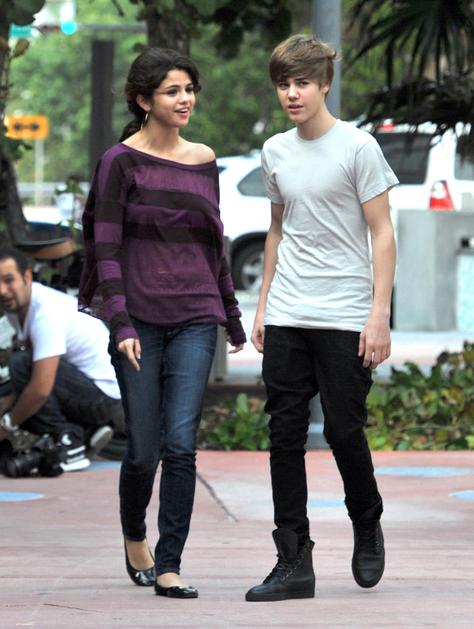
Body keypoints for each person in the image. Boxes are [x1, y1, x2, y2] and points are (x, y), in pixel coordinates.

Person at [78, 47, 246, 599]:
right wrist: (120, 322)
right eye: (173, 91)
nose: (185, 99)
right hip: (140, 321)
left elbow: (213, 243)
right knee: (143, 450)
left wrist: (231, 315)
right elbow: (105, 248)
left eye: (189, 89)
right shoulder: (119, 162)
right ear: (143, 100)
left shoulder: (204, 159)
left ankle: (170, 564)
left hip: (195, 316)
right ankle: (135, 535)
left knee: (181, 444)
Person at [245, 34, 398, 602]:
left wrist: (378, 313)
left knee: (342, 428)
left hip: (345, 312)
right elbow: (277, 230)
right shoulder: (275, 150)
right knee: (283, 434)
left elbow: (382, 233)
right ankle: (293, 560)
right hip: (289, 309)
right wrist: (263, 305)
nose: (292, 93)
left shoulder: (358, 147)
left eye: (302, 83)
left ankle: (366, 519)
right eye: (283, 84)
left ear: (325, 84)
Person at [0, 247, 124, 472]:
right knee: (18, 389)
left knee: (21, 366)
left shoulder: (45, 312)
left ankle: (70, 440)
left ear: (26, 277)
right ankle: (85, 432)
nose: (2, 290)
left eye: (9, 280)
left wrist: (7, 424)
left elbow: (40, 389)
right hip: (86, 388)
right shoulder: (15, 309)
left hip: (106, 397)